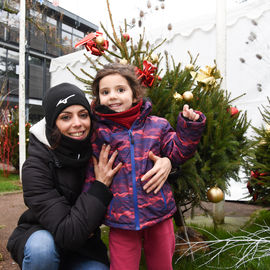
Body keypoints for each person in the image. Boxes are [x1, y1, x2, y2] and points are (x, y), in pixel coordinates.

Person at [6, 82, 172, 270]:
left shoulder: (98, 147)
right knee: (42, 250)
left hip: (84, 248)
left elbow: (136, 156)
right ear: (53, 123)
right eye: (66, 117)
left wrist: (167, 162)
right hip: (44, 234)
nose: (77, 123)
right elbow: (68, 234)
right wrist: (100, 186)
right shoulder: (35, 167)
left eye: (83, 115)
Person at [83, 63, 207, 270]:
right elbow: (90, 177)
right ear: (98, 98)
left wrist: (189, 126)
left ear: (134, 94)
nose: (112, 96)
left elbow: (179, 151)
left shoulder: (157, 125)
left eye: (120, 90)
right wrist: (90, 219)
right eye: (105, 92)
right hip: (120, 221)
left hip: (160, 215)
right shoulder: (98, 134)